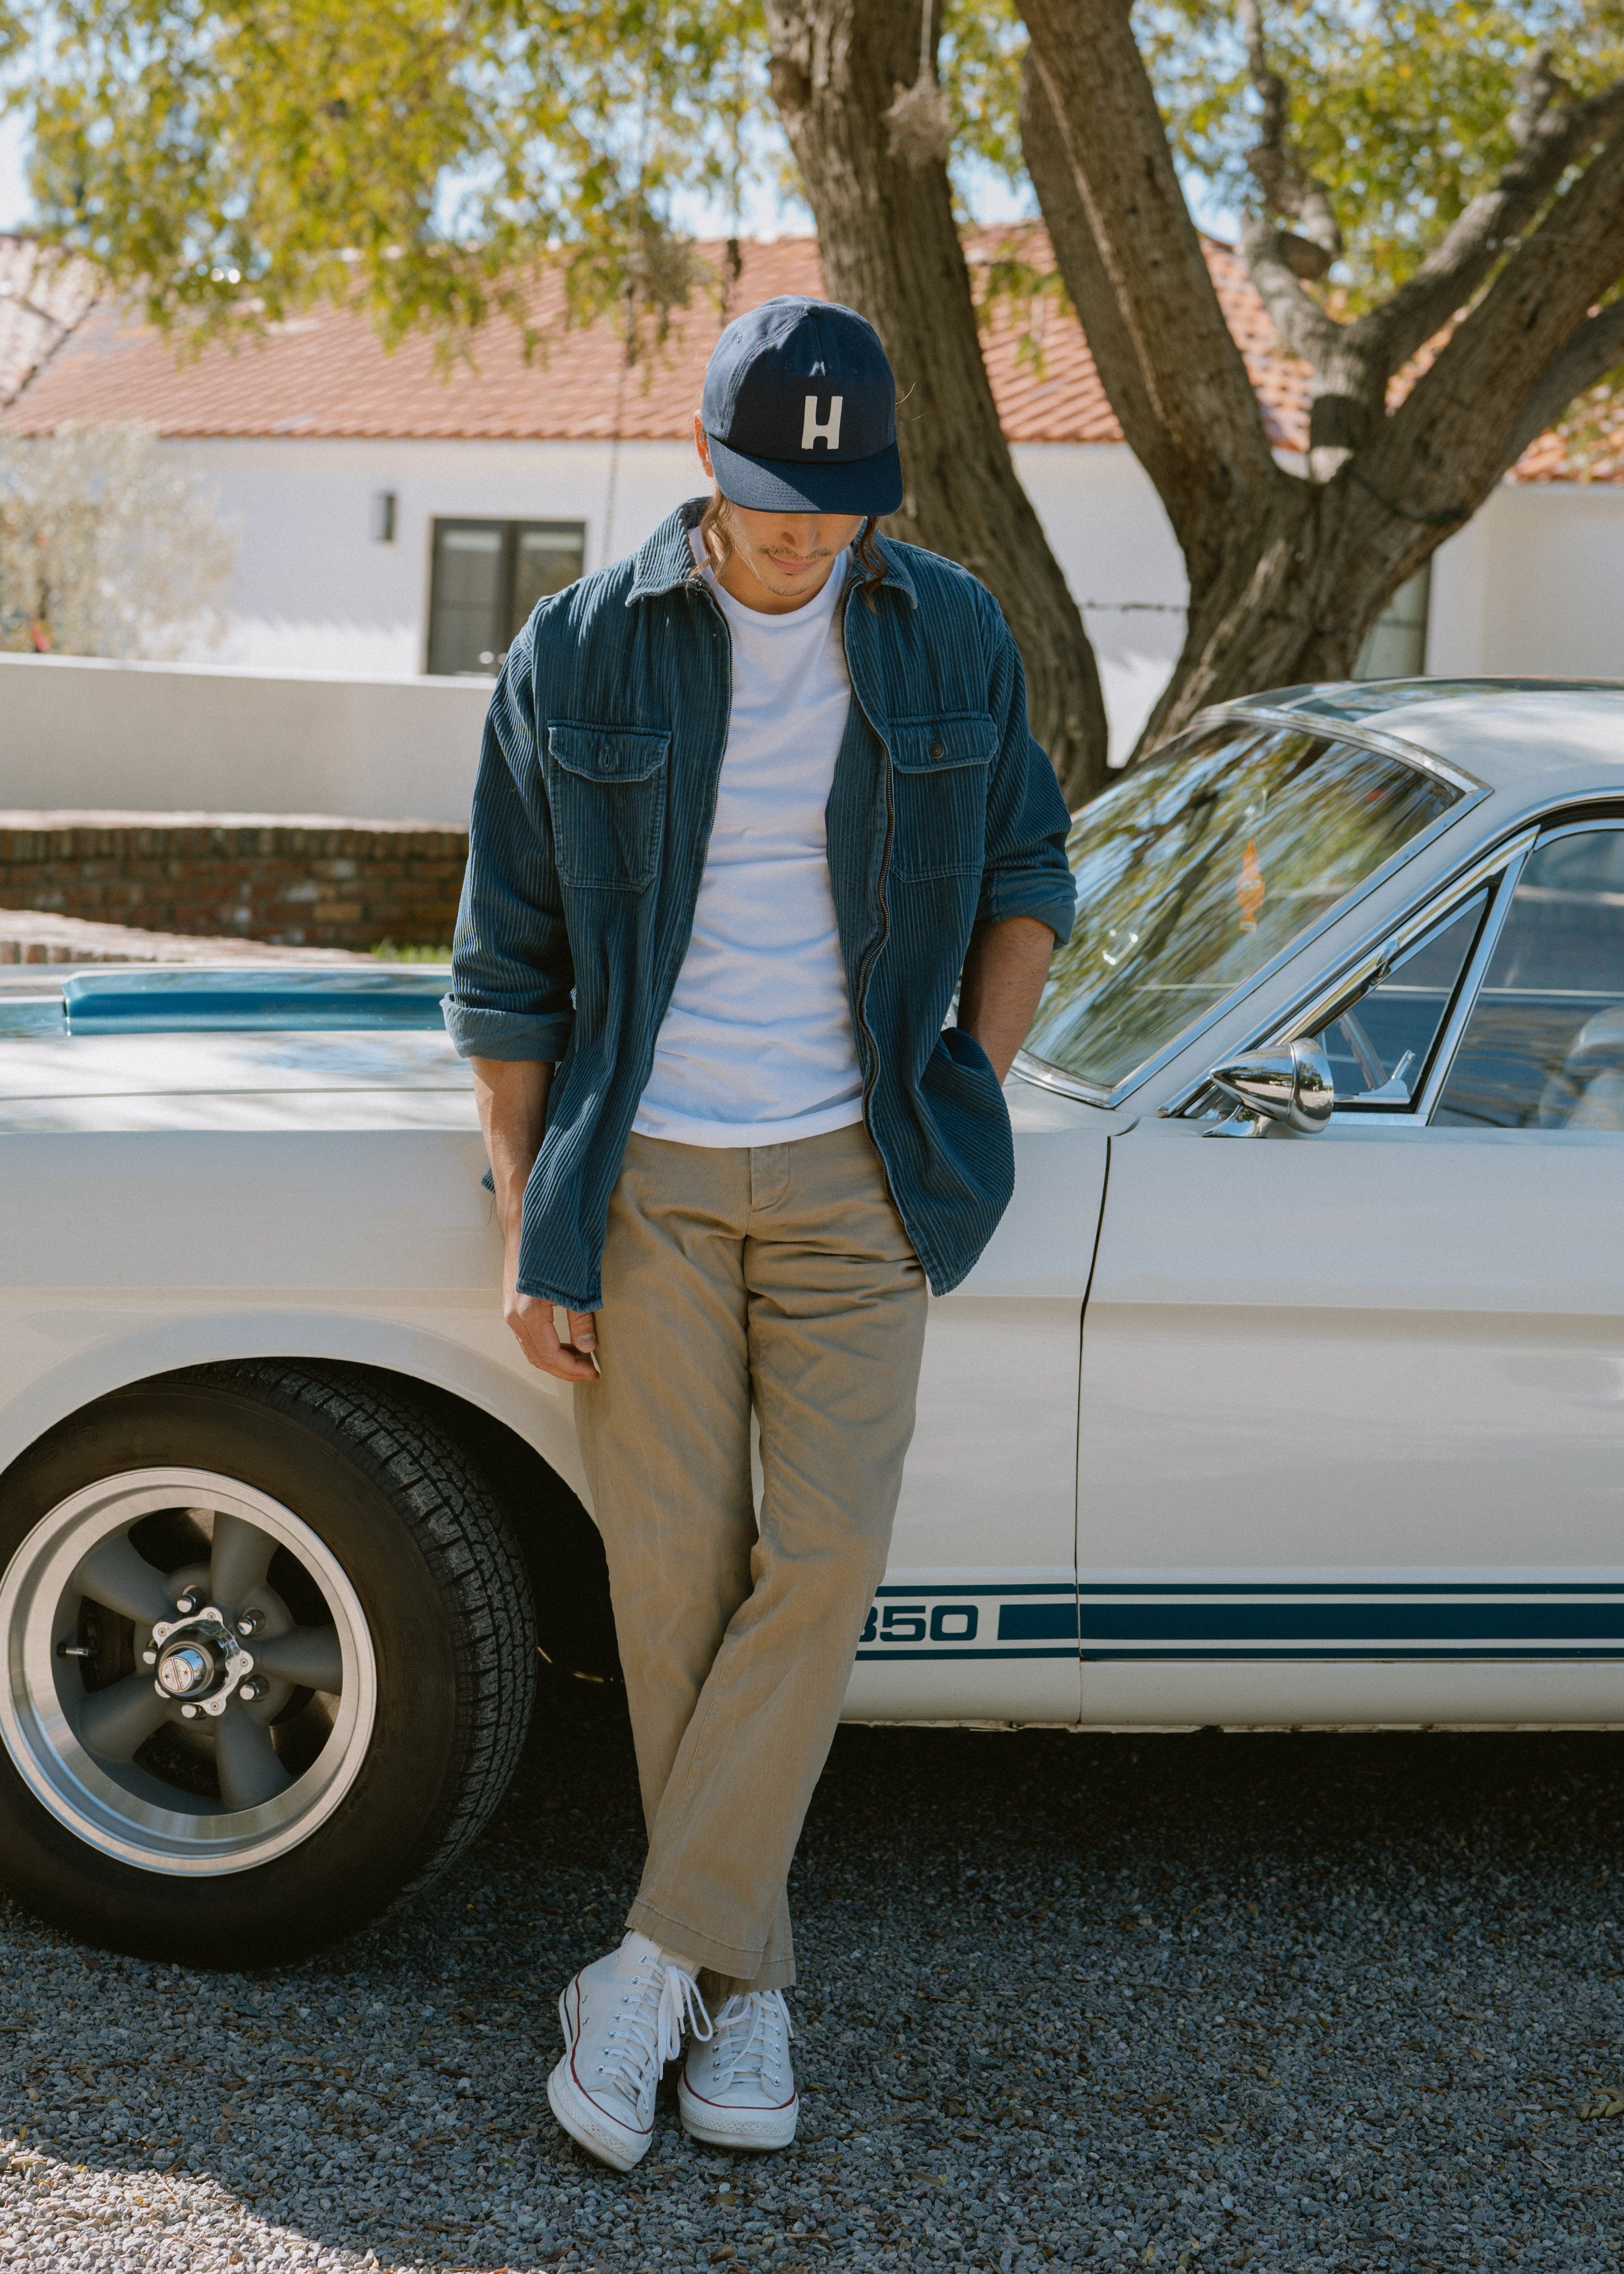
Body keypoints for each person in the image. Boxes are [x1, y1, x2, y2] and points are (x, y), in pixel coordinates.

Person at [443, 295, 1075, 2172]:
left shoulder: (948, 626)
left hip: (856, 1169)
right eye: (770, 497)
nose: (804, 531)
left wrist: (971, 1060)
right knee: (669, 1577)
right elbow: (507, 967)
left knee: (823, 1555)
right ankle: (752, 1980)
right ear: (703, 471)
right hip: (639, 1178)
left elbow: (1029, 868)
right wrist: (523, 1222)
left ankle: (649, 1958)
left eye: (838, 500)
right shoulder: (576, 652)